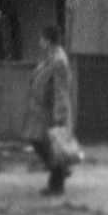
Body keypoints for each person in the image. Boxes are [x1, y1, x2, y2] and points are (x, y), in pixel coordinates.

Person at [23, 25, 75, 196]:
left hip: (53, 110)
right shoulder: (52, 57)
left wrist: (59, 115)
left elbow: (60, 89)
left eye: (42, 38)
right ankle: (58, 174)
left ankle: (57, 181)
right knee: (42, 142)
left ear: (47, 40)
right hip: (44, 109)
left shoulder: (57, 60)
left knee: (51, 146)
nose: (39, 42)